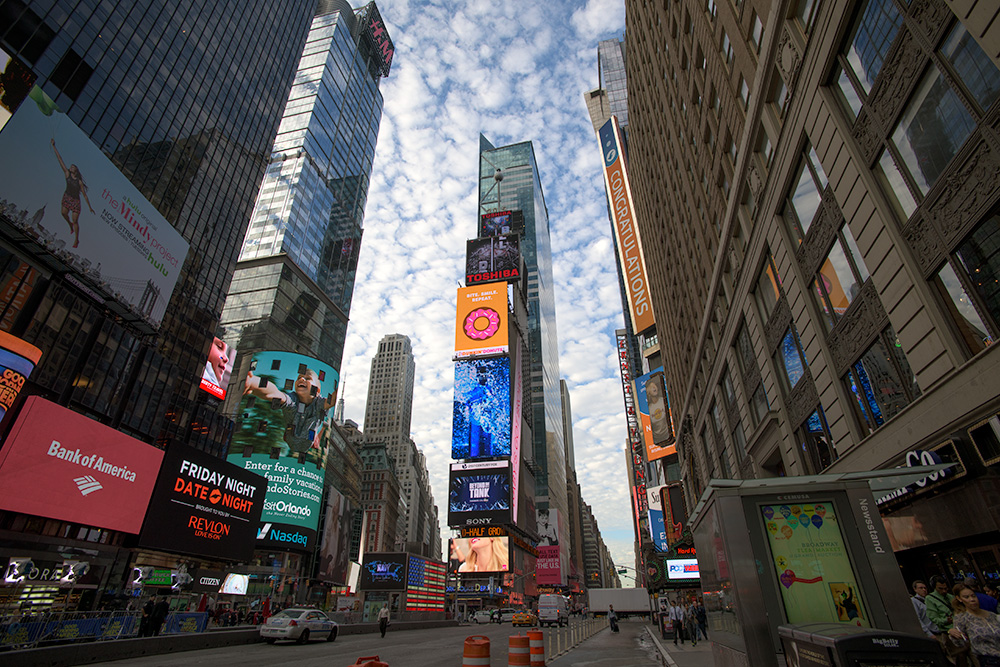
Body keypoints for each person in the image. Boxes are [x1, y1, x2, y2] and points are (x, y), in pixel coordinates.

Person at [244, 366, 335, 457]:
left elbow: (333, 400)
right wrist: (252, 382)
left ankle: (316, 437)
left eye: (308, 378)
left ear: (317, 391)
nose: (302, 379)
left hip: (308, 444)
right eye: (299, 378)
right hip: (290, 441)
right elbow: (275, 393)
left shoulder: (319, 403)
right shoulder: (292, 400)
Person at [51, 139, 94, 249]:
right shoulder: (67, 174)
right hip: (67, 197)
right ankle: (69, 224)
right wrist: (54, 146)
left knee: (75, 221)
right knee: (63, 213)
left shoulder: (79, 181)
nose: (71, 167)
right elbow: (60, 159)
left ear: (76, 170)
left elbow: (84, 195)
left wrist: (90, 207)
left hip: (75, 201)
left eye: (73, 167)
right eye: (71, 166)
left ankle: (76, 239)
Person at [949, 583, 1000, 666]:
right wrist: (952, 633)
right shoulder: (962, 618)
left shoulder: (991, 615)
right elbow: (960, 643)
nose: (972, 599)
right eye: (966, 597)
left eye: (973, 596)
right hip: (988, 659)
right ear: (959, 599)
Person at [928, 575, 972, 667]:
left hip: (962, 630)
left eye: (945, 588)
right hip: (948, 632)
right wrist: (945, 621)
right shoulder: (930, 599)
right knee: (960, 660)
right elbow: (933, 617)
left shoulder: (950, 596)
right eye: (940, 588)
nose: (944, 591)